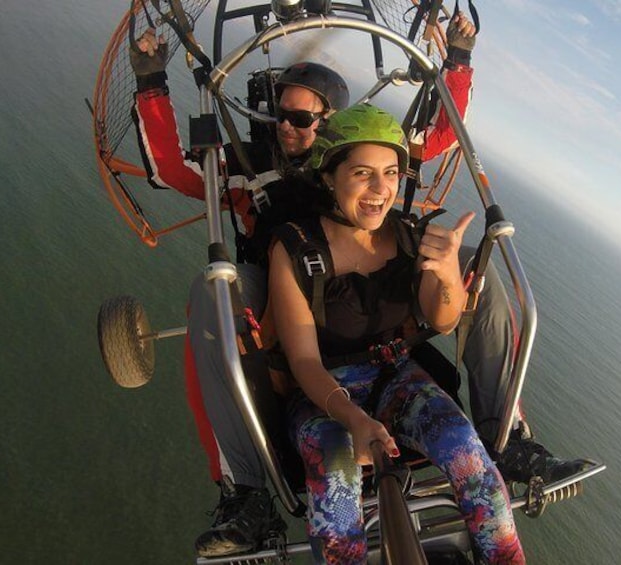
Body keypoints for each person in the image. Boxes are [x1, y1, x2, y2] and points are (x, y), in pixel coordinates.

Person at [130, 11, 586, 559]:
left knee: (475, 267)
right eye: (283, 114)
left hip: (366, 301)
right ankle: (245, 492)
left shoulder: (363, 161)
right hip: (280, 284)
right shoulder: (247, 161)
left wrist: (458, 62)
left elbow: (438, 135)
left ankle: (507, 435)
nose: (289, 127)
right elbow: (173, 172)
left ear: (333, 128)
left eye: (304, 117)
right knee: (216, 296)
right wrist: (151, 81)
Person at [270, 102, 525, 565]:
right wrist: (354, 421)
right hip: (322, 395)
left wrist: (447, 274)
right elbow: (304, 361)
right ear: (330, 176)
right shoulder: (295, 248)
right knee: (336, 478)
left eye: (390, 173)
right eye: (363, 173)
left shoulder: (408, 238)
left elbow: (443, 320)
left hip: (396, 379)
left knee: (470, 458)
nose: (380, 189)